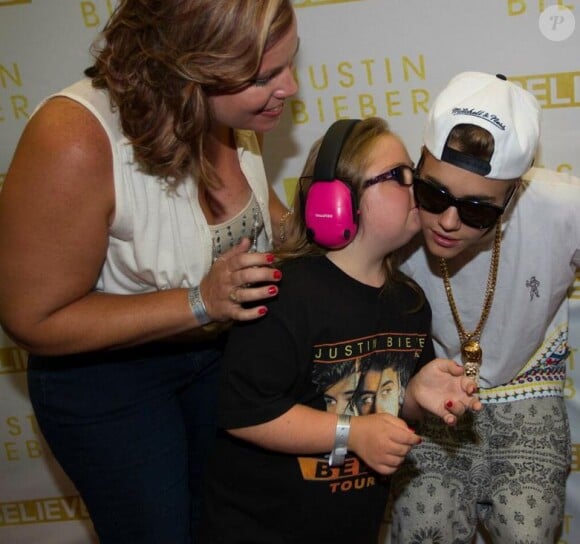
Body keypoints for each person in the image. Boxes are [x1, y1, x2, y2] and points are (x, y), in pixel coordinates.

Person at [0, 1, 299, 542]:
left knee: (228, 523)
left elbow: (256, 218)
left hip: (215, 359)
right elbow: (32, 317)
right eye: (265, 76)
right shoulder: (73, 138)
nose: (291, 88)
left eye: (289, 64)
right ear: (189, 71)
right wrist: (199, 302)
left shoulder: (231, 111)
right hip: (107, 381)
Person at [197, 117, 482, 543]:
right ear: (337, 200)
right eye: (399, 177)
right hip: (258, 529)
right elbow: (245, 413)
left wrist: (417, 396)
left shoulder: (409, 304)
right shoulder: (283, 292)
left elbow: (385, 403)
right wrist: (352, 433)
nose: (417, 188)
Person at [389, 71, 580, 544]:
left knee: (527, 532)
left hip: (527, 391)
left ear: (514, 195)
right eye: (433, 194)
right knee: (423, 530)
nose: (448, 222)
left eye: (477, 209)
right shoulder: (391, 211)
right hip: (433, 398)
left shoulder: (562, 207)